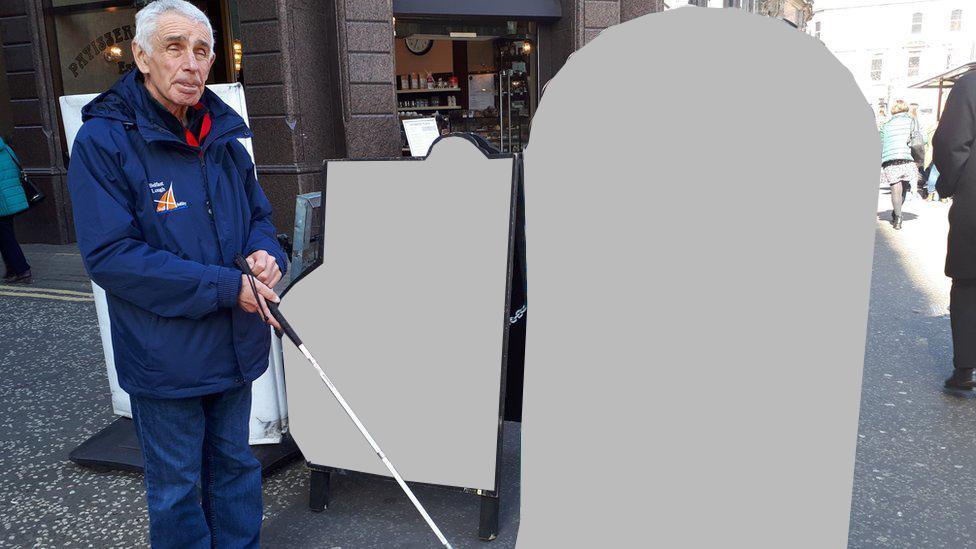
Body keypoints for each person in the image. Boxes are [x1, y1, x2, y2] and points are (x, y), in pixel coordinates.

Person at [66, 1, 287, 546]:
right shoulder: (104, 140)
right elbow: (112, 256)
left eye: (202, 49)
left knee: (236, 467)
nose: (191, 63)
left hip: (235, 344)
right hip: (165, 354)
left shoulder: (223, 139)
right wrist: (226, 286)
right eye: (174, 47)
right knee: (176, 487)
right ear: (141, 56)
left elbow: (258, 216)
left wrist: (264, 255)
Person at [934, 72, 976, 391]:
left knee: (968, 283)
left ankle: (965, 368)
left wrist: (949, 183)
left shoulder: (970, 85)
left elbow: (952, 143)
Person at [879, 100, 920, 230]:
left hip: (890, 159)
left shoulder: (885, 125)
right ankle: (897, 212)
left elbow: (880, 143)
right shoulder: (912, 121)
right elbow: (921, 140)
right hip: (907, 158)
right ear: (905, 109)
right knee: (904, 186)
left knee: (895, 188)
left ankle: (898, 218)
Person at [0, 136, 31, 283]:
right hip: (10, 198)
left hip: (2, 200)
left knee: (6, 237)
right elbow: (17, 169)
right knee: (5, 235)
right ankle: (12, 269)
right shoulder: (6, 148)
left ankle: (22, 269)